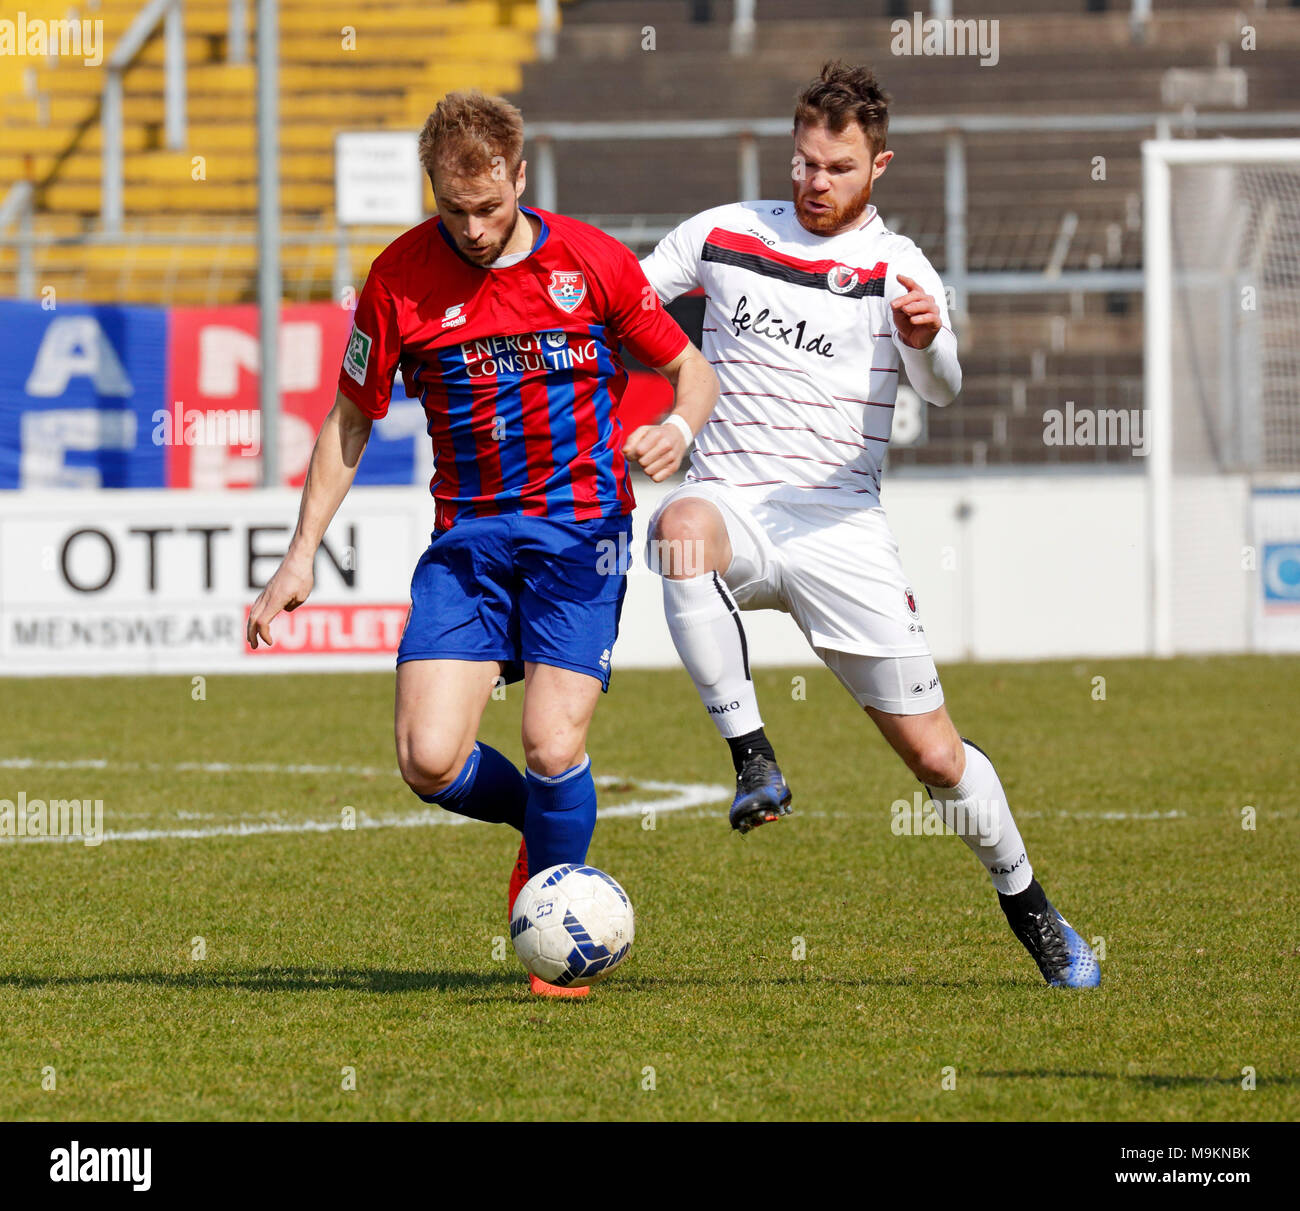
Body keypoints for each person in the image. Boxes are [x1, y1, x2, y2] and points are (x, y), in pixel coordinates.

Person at [247, 91, 719, 997]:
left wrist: (679, 426)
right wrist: (299, 554)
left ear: (520, 176)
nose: (470, 227)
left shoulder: (591, 261)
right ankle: (544, 835)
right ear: (432, 189)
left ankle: (555, 920)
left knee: (550, 743)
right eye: (451, 208)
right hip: (468, 543)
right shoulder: (397, 279)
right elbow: (350, 419)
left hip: (580, 538)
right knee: (427, 759)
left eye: (489, 207)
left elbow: (688, 369)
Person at [638, 62, 1099, 988]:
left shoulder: (900, 270)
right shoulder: (724, 232)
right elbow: (626, 304)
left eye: (837, 168)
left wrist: (929, 340)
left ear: (878, 165)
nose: (814, 181)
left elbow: (945, 386)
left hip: (838, 525)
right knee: (679, 525)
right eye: (804, 162)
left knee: (935, 756)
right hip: (732, 499)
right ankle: (755, 760)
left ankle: (1032, 908)